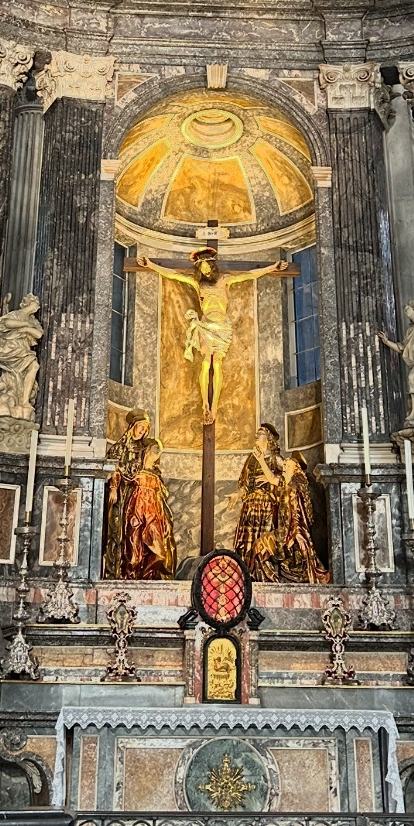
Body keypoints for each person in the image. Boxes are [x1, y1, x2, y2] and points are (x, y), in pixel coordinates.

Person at [138, 248, 283, 421]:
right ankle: (204, 404)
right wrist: (150, 265)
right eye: (202, 267)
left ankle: (214, 406)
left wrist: (272, 267)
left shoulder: (224, 280)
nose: (205, 270)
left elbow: (249, 275)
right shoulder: (198, 283)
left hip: (222, 327)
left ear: (212, 266)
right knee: (206, 363)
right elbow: (173, 275)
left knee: (218, 364)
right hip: (206, 326)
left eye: (207, 266)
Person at [104, 408, 151, 576]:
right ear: (133, 426)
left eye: (145, 428)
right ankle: (114, 571)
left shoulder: (145, 449)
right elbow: (113, 468)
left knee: (136, 531)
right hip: (121, 493)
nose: (143, 430)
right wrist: (114, 488)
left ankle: (134, 570)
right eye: (141, 426)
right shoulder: (119, 448)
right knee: (118, 530)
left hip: (138, 495)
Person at [120, 441, 177, 579]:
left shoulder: (156, 475)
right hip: (136, 509)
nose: (157, 453)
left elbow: (162, 498)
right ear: (147, 450)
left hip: (153, 512)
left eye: (159, 451)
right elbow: (121, 478)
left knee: (158, 551)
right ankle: (132, 577)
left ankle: (148, 576)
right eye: (155, 450)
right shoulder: (135, 470)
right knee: (134, 548)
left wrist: (166, 519)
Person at [233, 424, 282, 580]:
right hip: (250, 505)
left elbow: (286, 480)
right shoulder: (251, 459)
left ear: (268, 439)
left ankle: (264, 574)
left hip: (266, 504)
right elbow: (245, 483)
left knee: (262, 539)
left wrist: (270, 479)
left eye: (260, 433)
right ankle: (246, 572)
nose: (256, 435)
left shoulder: (275, 458)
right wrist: (238, 494)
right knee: (246, 540)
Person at [278, 450, 330, 584]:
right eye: (284, 466)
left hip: (296, 527)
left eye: (287, 466)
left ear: (295, 469)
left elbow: (297, 510)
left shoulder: (293, 486)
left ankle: (308, 573)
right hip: (290, 527)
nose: (284, 468)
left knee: (300, 551)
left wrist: (296, 532)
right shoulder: (288, 486)